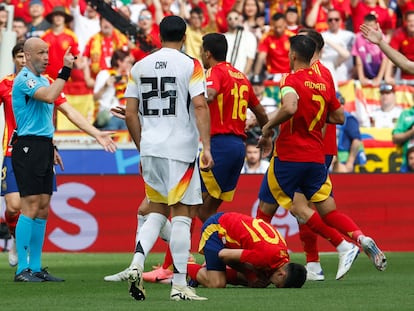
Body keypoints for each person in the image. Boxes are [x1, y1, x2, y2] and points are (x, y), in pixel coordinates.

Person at [256, 35, 387, 279]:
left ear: (293, 55)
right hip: (316, 156)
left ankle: (260, 260)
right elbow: (338, 117)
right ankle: (358, 238)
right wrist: (310, 115)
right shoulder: (323, 80)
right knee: (327, 210)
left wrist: (267, 126)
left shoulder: (290, 78)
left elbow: (291, 107)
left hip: (289, 155)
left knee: (269, 209)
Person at [11, 37, 117, 282]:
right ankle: (21, 270)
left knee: (44, 206)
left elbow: (69, 111)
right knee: (31, 204)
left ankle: (35, 267)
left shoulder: (47, 80)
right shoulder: (24, 79)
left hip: (45, 146)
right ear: (27, 56)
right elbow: (49, 97)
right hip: (27, 145)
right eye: (40, 53)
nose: (46, 57)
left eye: (47, 52)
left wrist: (96, 133)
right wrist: (66, 70)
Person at [123, 15, 214, 301]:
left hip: (150, 147)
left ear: (158, 36)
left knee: (157, 210)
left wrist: (142, 147)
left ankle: (137, 262)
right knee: (183, 216)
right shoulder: (191, 65)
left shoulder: (139, 66)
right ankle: (178, 286)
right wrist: (207, 146)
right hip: (180, 149)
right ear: (185, 36)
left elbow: (129, 112)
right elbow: (200, 105)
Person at [187, 212, 307, 288]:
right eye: (277, 285)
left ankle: (207, 273)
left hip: (227, 224)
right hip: (216, 230)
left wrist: (253, 276)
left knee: (258, 280)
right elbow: (223, 255)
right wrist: (249, 275)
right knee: (217, 284)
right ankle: (186, 263)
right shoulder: (265, 257)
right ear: (282, 274)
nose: (274, 285)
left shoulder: (282, 258)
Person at [93, 49, 133, 130]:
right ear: (119, 62)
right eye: (127, 62)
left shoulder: (129, 75)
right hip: (110, 115)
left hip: (127, 116)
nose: (130, 64)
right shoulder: (104, 74)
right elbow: (95, 98)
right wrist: (105, 86)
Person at [352, 14, 387, 87]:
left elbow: (385, 60)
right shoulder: (358, 37)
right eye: (367, 25)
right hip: (365, 73)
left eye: (371, 25)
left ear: (376, 25)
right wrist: (361, 77)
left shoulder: (382, 37)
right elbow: (358, 60)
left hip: (380, 73)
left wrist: (379, 78)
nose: (369, 28)